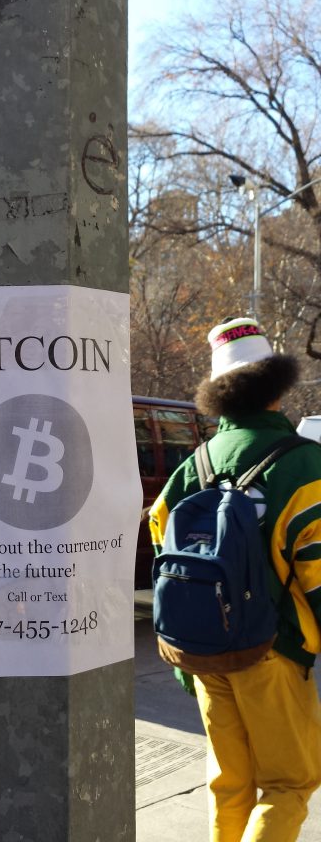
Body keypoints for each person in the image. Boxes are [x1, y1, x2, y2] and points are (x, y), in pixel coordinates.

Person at [149, 316, 321, 842]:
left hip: (201, 650)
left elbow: (161, 531)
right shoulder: (304, 463)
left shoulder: (194, 463)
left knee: (230, 782)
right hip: (272, 649)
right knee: (289, 784)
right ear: (276, 388)